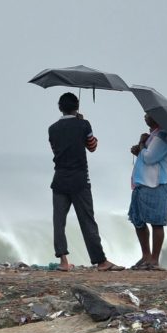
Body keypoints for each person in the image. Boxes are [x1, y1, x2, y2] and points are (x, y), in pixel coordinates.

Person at [49, 92, 124, 272]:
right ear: (77, 107)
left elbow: (55, 150)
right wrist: (82, 124)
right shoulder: (83, 124)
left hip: (59, 179)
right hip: (80, 179)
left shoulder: (52, 128)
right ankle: (100, 261)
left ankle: (63, 262)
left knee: (59, 221)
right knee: (87, 220)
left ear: (60, 107)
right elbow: (92, 147)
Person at [128, 112, 167, 270]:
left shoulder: (163, 136)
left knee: (156, 222)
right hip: (143, 182)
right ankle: (146, 255)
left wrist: (142, 144)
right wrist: (140, 147)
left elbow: (149, 157)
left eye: (149, 115)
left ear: (157, 118)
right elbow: (146, 154)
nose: (145, 116)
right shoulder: (154, 135)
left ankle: (154, 259)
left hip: (156, 183)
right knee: (138, 220)